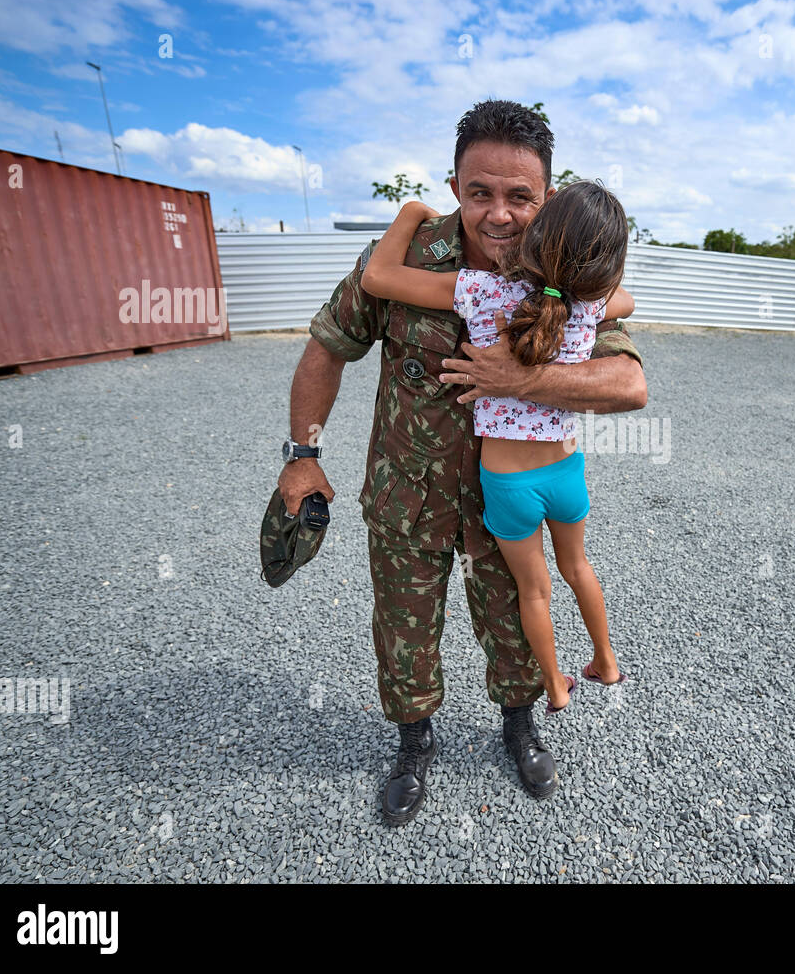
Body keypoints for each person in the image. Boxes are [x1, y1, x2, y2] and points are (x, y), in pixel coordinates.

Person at [276, 100, 646, 825]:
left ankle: (519, 725)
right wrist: (302, 456)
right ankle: (413, 744)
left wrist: (520, 377)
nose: (500, 214)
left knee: (513, 621)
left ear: (546, 196)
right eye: (481, 192)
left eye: (520, 196)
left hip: (505, 500)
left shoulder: (570, 265)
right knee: (404, 627)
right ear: (454, 186)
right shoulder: (407, 258)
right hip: (405, 495)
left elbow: (628, 383)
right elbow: (327, 345)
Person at [360, 181, 630, 716]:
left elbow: (377, 277)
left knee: (534, 593)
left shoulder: (480, 291)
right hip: (565, 471)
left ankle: (555, 687)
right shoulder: (588, 302)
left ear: (537, 237)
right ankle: (606, 661)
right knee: (579, 569)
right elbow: (626, 297)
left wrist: (413, 211)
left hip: (507, 485)